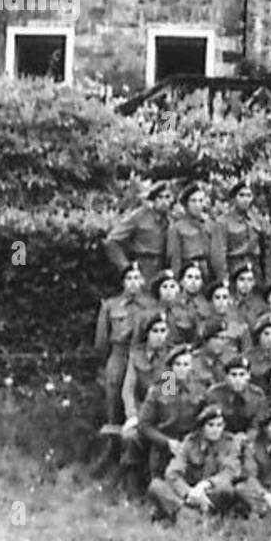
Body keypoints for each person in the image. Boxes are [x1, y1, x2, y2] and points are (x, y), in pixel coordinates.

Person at [125, 345, 209, 488]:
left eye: (186, 364)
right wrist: (167, 442)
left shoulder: (200, 389)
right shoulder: (160, 389)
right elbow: (144, 425)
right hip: (164, 443)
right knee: (159, 484)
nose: (182, 369)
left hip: (191, 442)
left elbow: (207, 419)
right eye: (178, 364)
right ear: (171, 367)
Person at [147, 404, 241, 523]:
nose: (215, 429)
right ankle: (186, 513)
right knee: (156, 486)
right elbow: (173, 473)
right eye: (210, 425)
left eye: (219, 425)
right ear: (202, 427)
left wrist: (205, 485)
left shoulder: (230, 443)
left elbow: (230, 472)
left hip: (211, 493)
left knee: (227, 490)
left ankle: (182, 513)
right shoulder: (189, 442)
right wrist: (189, 492)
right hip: (188, 493)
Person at [93, 262, 152, 431]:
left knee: (144, 395)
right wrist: (106, 360)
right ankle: (113, 438)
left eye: (137, 278)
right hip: (119, 354)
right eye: (129, 278)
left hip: (142, 354)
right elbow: (102, 340)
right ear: (123, 282)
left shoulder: (150, 306)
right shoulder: (111, 305)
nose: (133, 282)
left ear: (143, 281)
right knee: (114, 392)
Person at [104, 181, 172, 281]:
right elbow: (111, 241)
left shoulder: (170, 219)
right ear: (153, 199)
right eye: (160, 197)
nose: (164, 202)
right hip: (142, 265)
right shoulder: (139, 216)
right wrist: (125, 266)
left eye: (167, 197)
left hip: (162, 268)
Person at [193, 280, 250, 386]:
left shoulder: (240, 325)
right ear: (211, 301)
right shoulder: (202, 324)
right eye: (217, 297)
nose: (221, 302)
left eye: (225, 297)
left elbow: (246, 351)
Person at [211, 180, 266, 284]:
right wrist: (223, 278)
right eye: (241, 195)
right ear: (234, 198)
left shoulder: (258, 220)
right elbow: (218, 255)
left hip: (255, 268)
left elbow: (264, 248)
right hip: (234, 267)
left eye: (249, 196)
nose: (245, 200)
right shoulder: (223, 221)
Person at [203, 355, 265, 438]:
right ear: (227, 377)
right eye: (234, 375)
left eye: (242, 374)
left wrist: (247, 436)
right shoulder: (214, 394)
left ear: (248, 375)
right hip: (221, 437)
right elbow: (208, 422)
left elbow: (257, 423)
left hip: (247, 439)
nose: (238, 379)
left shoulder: (257, 396)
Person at [167, 183, 214, 279]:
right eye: (193, 201)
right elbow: (174, 257)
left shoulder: (210, 224)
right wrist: (177, 278)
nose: (197, 205)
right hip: (188, 269)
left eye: (201, 201)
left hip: (207, 270)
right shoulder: (177, 228)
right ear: (186, 204)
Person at [230, 261, 269, 332]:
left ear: (254, 282)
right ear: (235, 281)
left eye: (249, 280)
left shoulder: (260, 305)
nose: (246, 284)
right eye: (242, 279)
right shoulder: (227, 302)